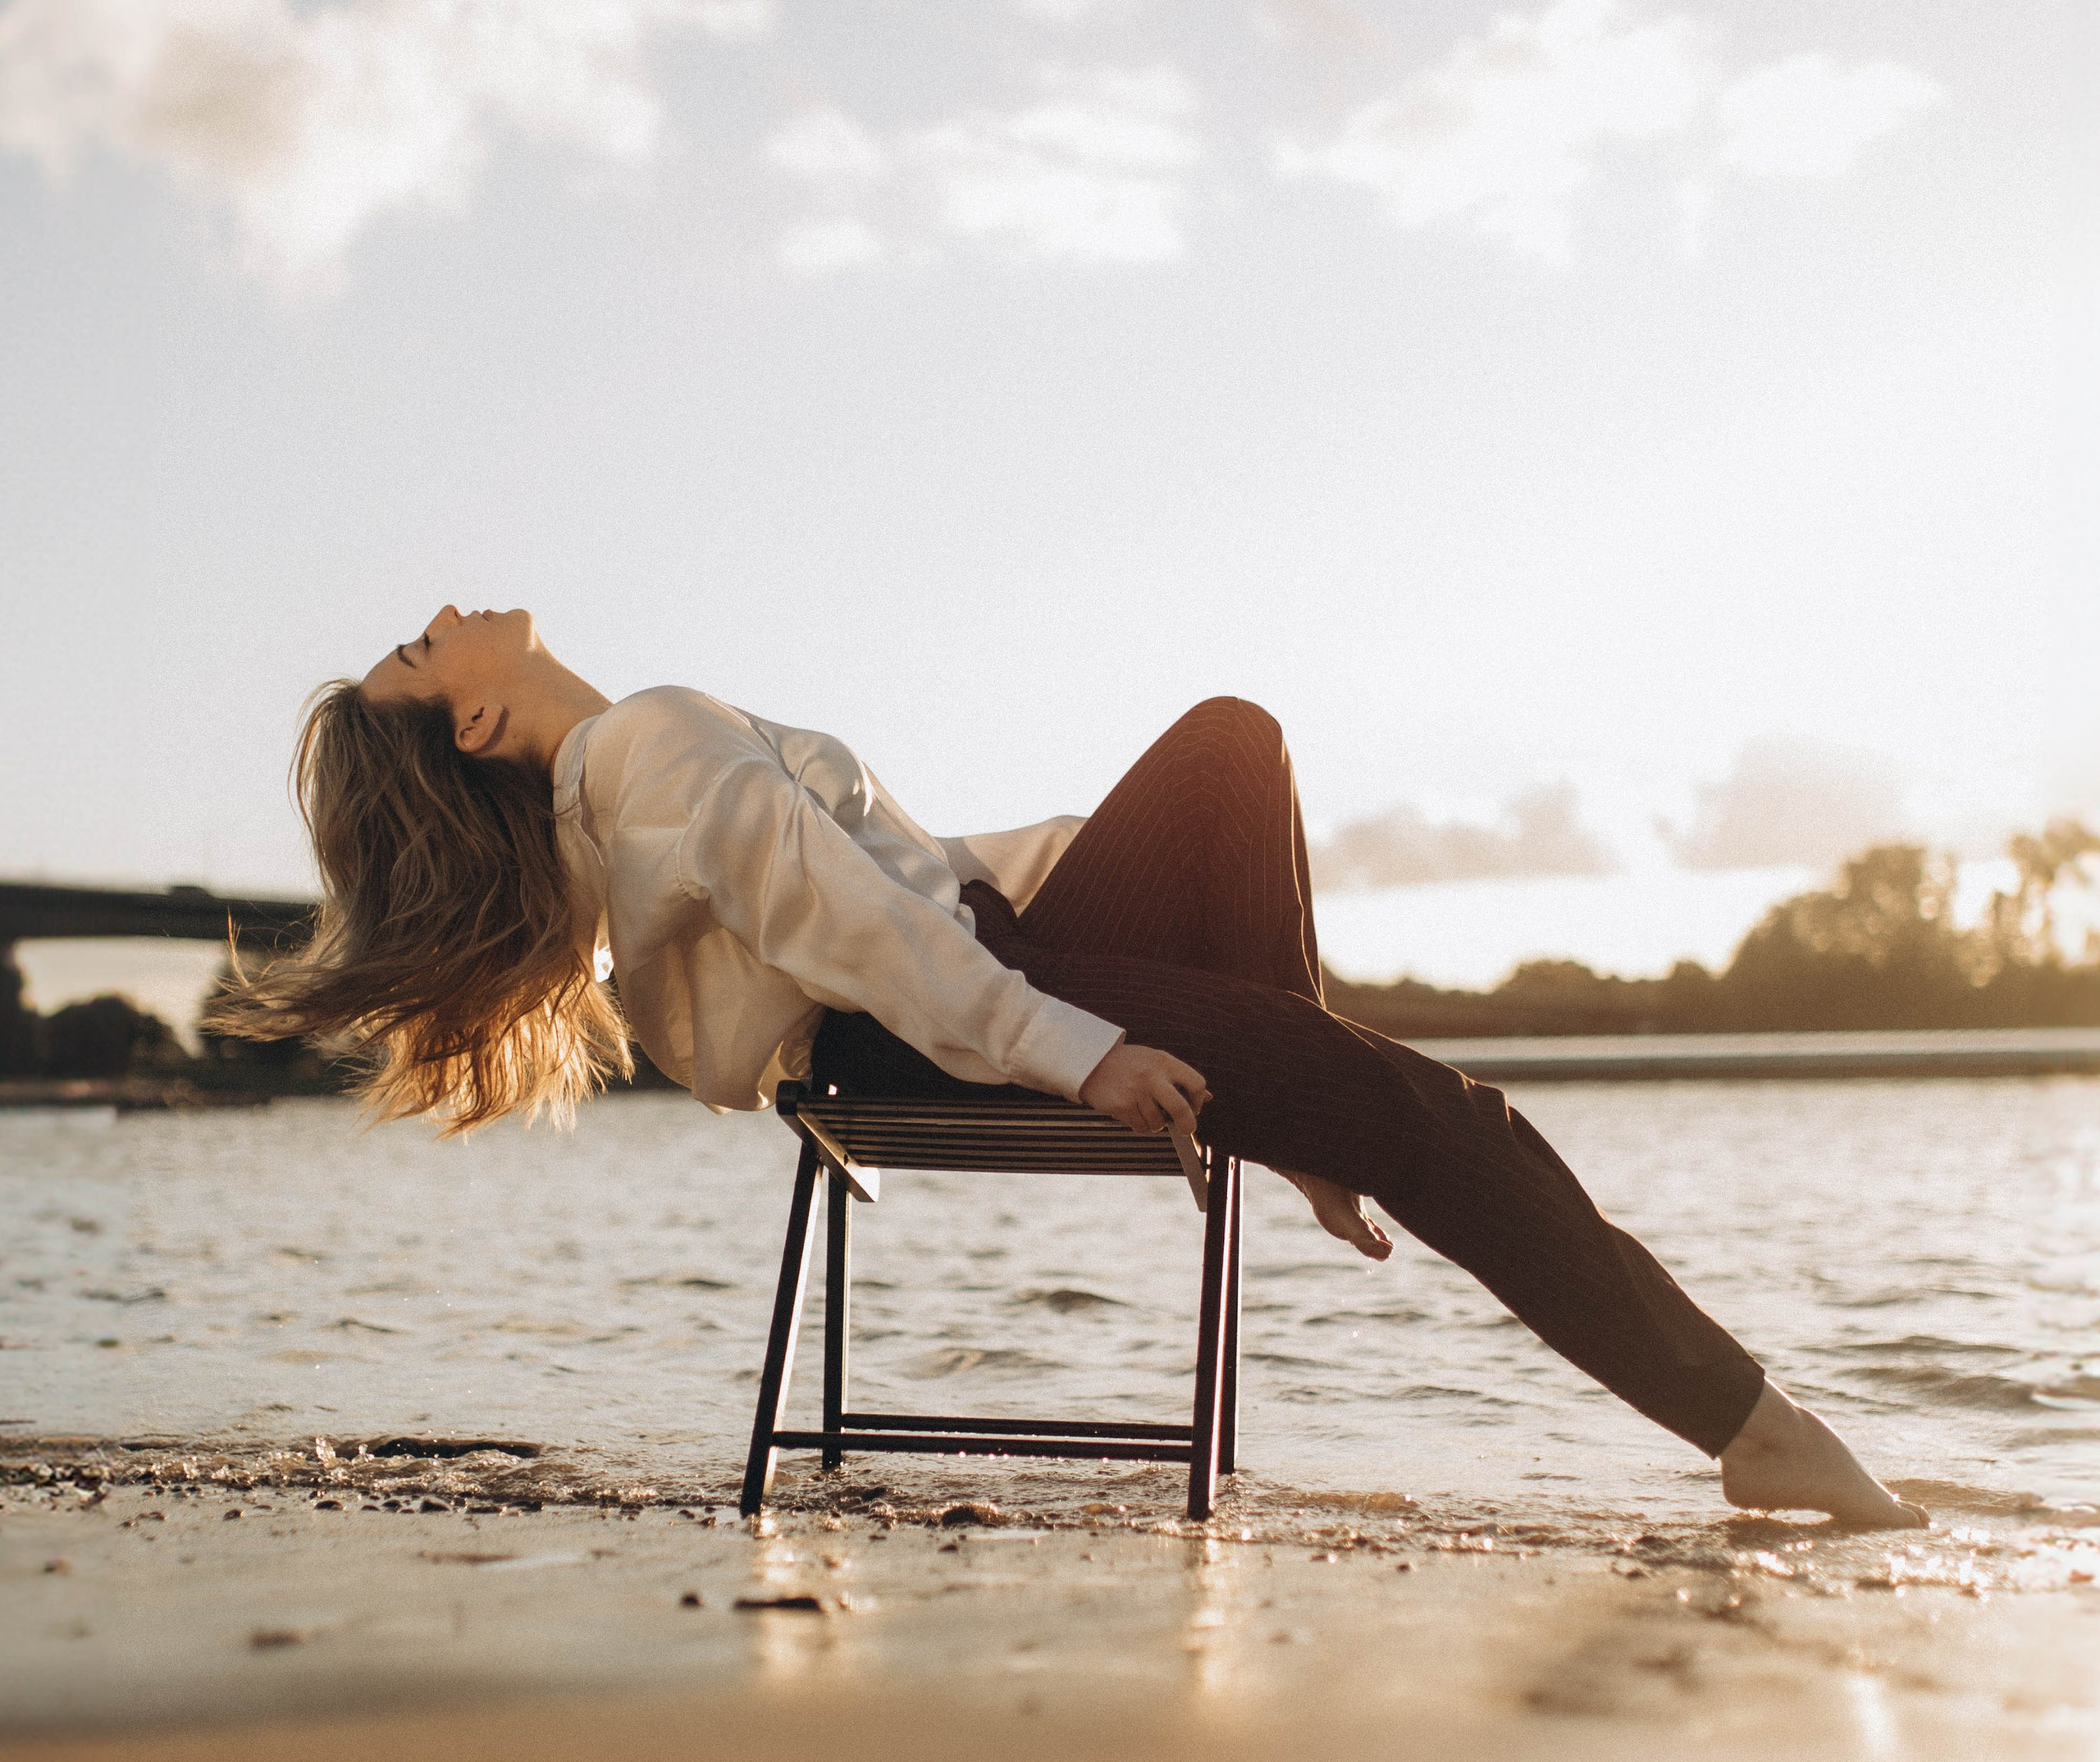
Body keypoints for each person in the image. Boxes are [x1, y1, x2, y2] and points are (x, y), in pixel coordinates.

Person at [215, 603, 1925, 1529]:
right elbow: (865, 937)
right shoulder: (641, 742)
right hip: (963, 1001)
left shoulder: (634, 774)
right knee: (1440, 1119)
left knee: (1229, 751)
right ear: (478, 727)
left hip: (966, 971)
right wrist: (1074, 1050)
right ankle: (1745, 1427)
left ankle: (1308, 1104)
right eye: (420, 656)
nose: (442, 619)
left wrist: (1251, 1070)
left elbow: (884, 900)